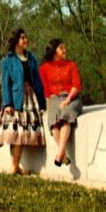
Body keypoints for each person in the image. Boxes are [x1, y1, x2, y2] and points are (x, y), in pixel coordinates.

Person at [0, 28, 46, 175]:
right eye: (23, 38)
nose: (26, 40)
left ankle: (15, 166)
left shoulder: (31, 58)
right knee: (15, 133)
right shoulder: (8, 61)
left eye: (26, 37)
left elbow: (37, 81)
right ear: (16, 41)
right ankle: (14, 166)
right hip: (16, 99)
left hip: (31, 98)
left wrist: (42, 103)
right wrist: (7, 104)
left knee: (23, 133)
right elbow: (5, 83)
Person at [39, 38, 83, 167]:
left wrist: (68, 99)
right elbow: (46, 90)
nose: (65, 50)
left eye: (64, 47)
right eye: (61, 48)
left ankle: (59, 155)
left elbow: (77, 85)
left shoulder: (71, 64)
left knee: (65, 116)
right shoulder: (44, 68)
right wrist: (49, 108)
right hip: (54, 99)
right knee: (53, 122)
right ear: (54, 51)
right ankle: (63, 155)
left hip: (72, 97)